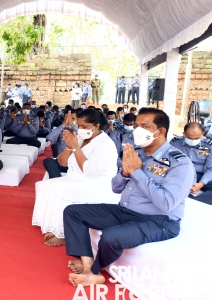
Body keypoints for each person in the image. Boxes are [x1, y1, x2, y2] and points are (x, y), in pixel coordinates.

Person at [63, 108, 194, 287]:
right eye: (137, 125)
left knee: (110, 236)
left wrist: (137, 172)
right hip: (125, 211)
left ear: (161, 131)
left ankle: (94, 272)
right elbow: (115, 188)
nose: (137, 130)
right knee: (73, 212)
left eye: (145, 126)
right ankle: (87, 263)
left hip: (159, 221)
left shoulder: (179, 162)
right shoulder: (137, 153)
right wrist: (125, 173)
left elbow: (166, 203)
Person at [33, 109, 119, 247]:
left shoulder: (105, 144)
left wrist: (76, 149)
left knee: (60, 190)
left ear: (96, 126)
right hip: (77, 179)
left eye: (84, 127)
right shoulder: (80, 138)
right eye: (79, 126)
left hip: (97, 185)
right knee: (44, 185)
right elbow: (61, 162)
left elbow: (89, 171)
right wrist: (68, 148)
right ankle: (51, 225)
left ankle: (63, 233)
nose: (80, 129)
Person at [170, 123, 212, 205]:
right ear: (184, 134)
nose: (193, 141)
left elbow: (211, 169)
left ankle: (195, 203)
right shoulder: (174, 143)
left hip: (201, 175)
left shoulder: (209, 146)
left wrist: (201, 183)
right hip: (181, 174)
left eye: (196, 138)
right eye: (189, 138)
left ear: (202, 135)